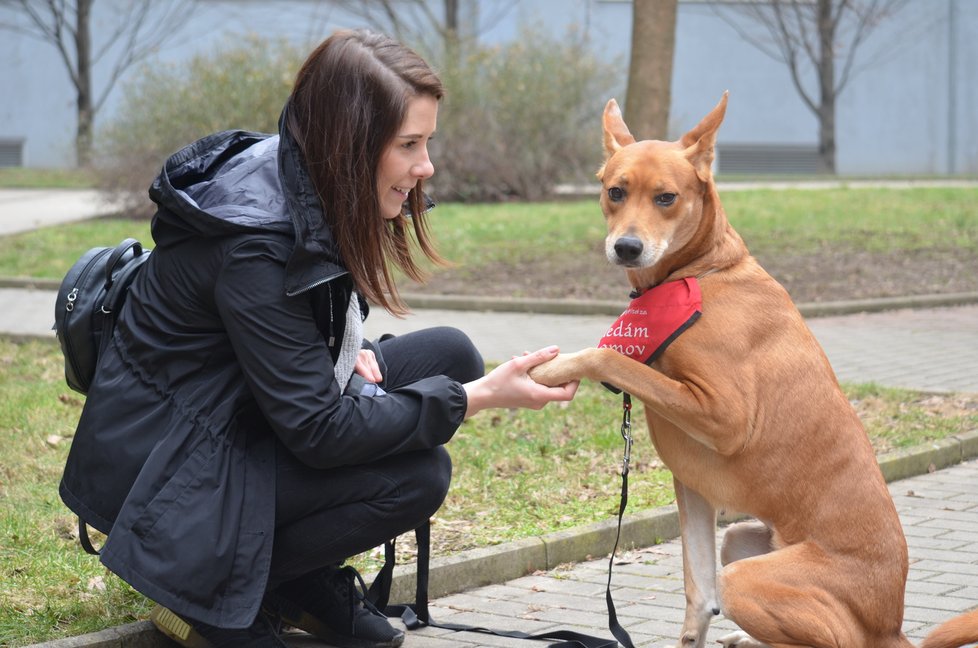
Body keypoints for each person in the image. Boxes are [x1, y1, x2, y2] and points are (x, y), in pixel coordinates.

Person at [58, 28, 578, 648]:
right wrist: (477, 398)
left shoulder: (309, 177)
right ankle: (216, 595)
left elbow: (280, 331)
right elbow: (316, 430)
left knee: (452, 354)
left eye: (427, 142)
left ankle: (293, 578)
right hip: (170, 475)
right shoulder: (255, 247)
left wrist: (338, 342)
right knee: (419, 476)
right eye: (408, 144)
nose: (426, 166)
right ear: (350, 143)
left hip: (230, 417)